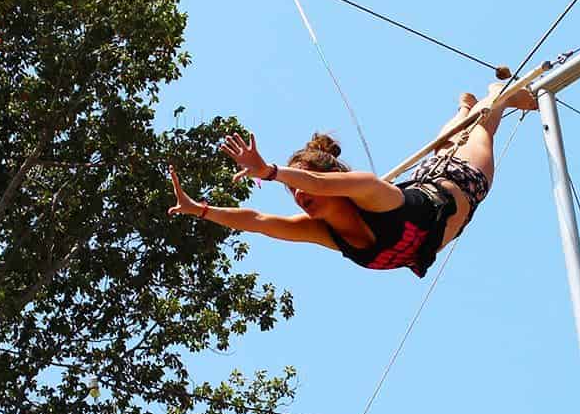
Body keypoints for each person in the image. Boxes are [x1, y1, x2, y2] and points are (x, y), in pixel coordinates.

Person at [166, 83, 537, 276]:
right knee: (442, 146)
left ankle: (496, 98)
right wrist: (200, 210)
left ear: (329, 179)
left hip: (459, 184)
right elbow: (259, 222)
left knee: (479, 133)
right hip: (431, 189)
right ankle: (463, 108)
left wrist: (271, 173)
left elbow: (322, 186)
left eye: (303, 184)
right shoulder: (323, 231)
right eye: (293, 191)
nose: (298, 195)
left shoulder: (366, 188)